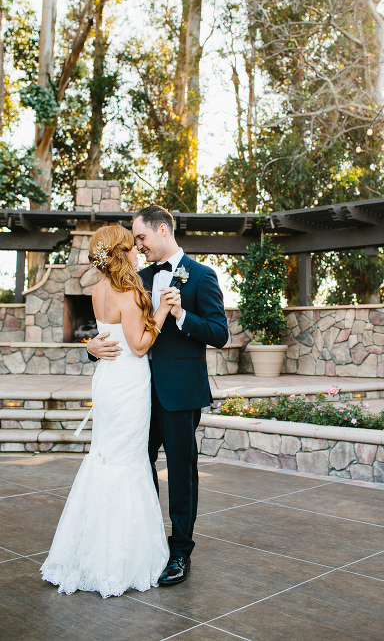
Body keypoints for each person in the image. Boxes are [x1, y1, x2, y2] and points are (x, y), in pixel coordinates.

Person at [86, 206, 229, 587]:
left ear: (162, 230)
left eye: (142, 238)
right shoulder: (137, 277)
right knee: (138, 466)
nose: (138, 246)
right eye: (134, 241)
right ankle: (144, 541)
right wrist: (91, 348)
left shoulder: (201, 276)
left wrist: (182, 315)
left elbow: (219, 333)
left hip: (180, 394)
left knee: (182, 474)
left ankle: (180, 551)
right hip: (136, 394)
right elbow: (115, 328)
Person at [41, 225, 175, 597]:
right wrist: (162, 310)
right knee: (127, 461)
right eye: (132, 246)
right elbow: (138, 346)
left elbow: (105, 337)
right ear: (122, 252)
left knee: (104, 457)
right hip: (129, 384)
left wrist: (92, 346)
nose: (137, 250)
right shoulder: (130, 292)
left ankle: (85, 552)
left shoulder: (97, 290)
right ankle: (118, 560)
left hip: (107, 382)